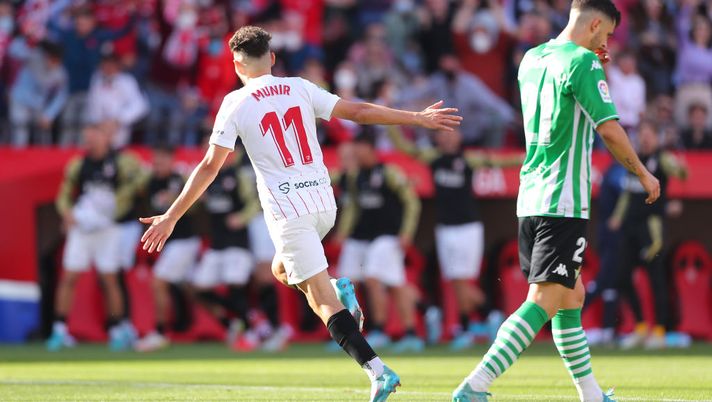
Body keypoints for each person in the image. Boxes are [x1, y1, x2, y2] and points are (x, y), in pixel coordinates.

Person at [138, 26, 461, 401]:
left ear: (236, 64)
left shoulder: (235, 103)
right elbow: (358, 111)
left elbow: (210, 167)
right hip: (324, 204)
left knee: (321, 301)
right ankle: (338, 289)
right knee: (281, 270)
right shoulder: (299, 86)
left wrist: (172, 215)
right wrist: (416, 119)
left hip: (288, 211)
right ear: (272, 58)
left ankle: (377, 371)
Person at [451, 1, 660, 401]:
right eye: (607, 34)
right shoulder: (584, 63)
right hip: (563, 199)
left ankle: (592, 394)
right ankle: (475, 385)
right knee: (545, 299)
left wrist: (591, 60)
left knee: (571, 296)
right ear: (596, 24)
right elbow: (610, 130)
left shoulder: (531, 58)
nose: (607, 43)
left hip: (531, 195)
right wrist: (643, 172)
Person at [388, 126, 520, 350]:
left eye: (452, 133)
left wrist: (529, 157)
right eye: (443, 134)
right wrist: (391, 123)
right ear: (436, 138)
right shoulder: (433, 158)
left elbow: (498, 162)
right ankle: (480, 320)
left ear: (460, 136)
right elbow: (406, 148)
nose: (448, 138)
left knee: (461, 280)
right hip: (445, 228)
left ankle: (481, 320)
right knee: (455, 280)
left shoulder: (469, 159)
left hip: (468, 228)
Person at [47, 122, 143, 351]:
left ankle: (117, 328)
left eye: (94, 137)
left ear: (106, 138)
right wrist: (67, 213)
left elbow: (137, 185)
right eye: (86, 138)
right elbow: (63, 196)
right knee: (69, 276)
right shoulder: (78, 165)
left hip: (107, 227)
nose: (90, 142)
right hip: (82, 227)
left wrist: (113, 209)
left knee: (109, 278)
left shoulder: (122, 162)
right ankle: (59, 330)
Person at [335, 130, 423, 353]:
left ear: (371, 150)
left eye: (359, 151)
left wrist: (406, 233)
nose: (356, 155)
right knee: (345, 285)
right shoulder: (356, 176)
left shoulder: (389, 173)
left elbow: (412, 202)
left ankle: (382, 330)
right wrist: (343, 232)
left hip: (387, 237)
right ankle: (348, 333)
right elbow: (353, 207)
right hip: (362, 238)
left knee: (375, 279)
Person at [610, 120, 687, 350]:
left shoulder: (662, 158)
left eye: (649, 134)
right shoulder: (633, 161)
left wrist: (680, 169)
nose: (645, 139)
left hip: (651, 230)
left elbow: (681, 173)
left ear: (657, 137)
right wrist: (617, 216)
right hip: (630, 228)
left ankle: (661, 332)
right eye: (642, 134)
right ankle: (642, 328)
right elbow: (627, 192)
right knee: (622, 277)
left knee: (656, 280)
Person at [134, 144, 201, 352]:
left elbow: (197, 206)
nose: (158, 165)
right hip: (170, 243)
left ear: (172, 161)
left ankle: (161, 332)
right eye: (155, 161)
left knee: (158, 282)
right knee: (194, 288)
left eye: (162, 160)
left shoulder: (181, 181)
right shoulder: (150, 182)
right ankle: (232, 323)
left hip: (184, 241)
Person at [9, 40, 67, 147]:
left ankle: (45, 162)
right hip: (20, 101)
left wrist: (49, 115)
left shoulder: (59, 73)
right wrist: (30, 43)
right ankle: (17, 160)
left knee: (44, 135)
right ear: (47, 55)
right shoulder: (34, 57)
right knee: (20, 134)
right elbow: (13, 50)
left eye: (56, 59)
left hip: (38, 105)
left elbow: (61, 96)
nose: (53, 62)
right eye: (51, 58)